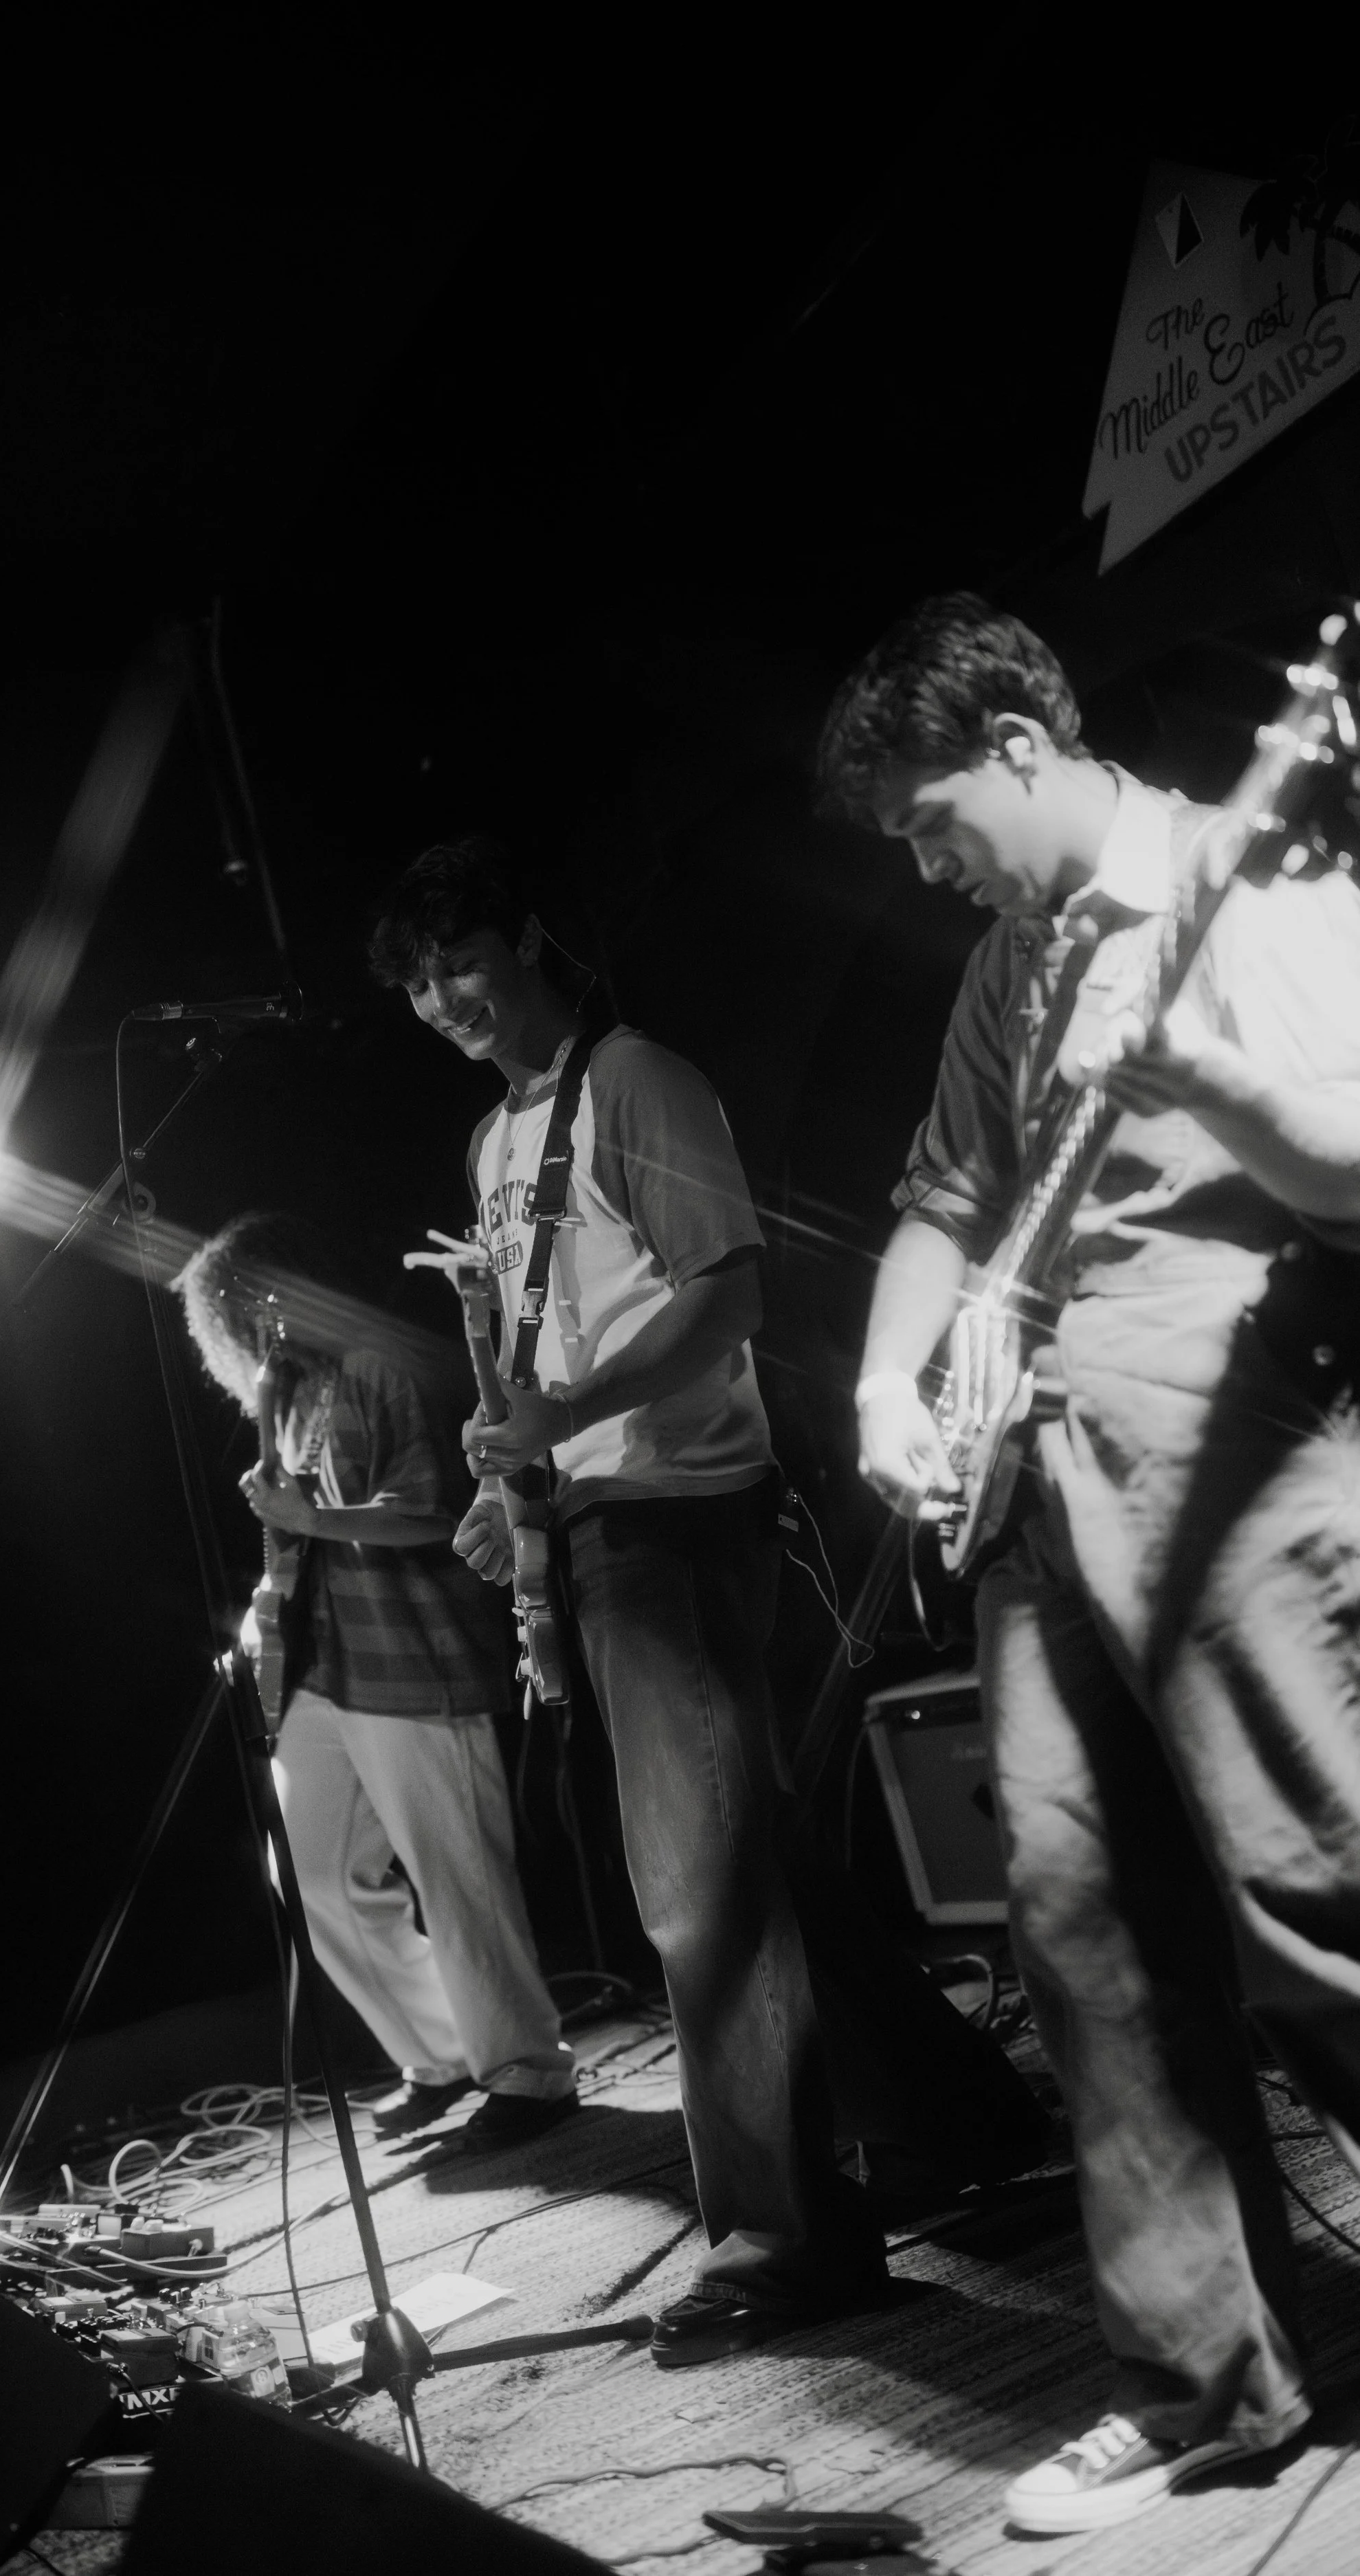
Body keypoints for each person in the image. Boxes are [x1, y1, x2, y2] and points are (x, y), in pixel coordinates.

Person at [819, 592, 1360, 2536]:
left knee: (1318, 1897)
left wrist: (1199, 1081)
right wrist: (891, 1377)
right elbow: (942, 1199)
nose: (919, 850)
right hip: (1035, 1488)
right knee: (1077, 1922)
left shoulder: (1249, 866)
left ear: (1024, 744)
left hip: (1228, 1443)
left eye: (928, 808)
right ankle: (1202, 2371)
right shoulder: (1005, 963)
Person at [368, 835, 1047, 2369]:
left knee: (700, 1894)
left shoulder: (638, 1081)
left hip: (682, 1521)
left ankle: (791, 2239)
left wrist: (561, 1425)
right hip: (604, 1518)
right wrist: (515, 1476)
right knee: (752, 1863)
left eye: (458, 962)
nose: (441, 1000)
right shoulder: (495, 1141)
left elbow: (725, 1296)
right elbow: (551, 1359)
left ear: (530, 937)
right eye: (416, 985)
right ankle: (957, 2117)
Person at [174, 1212, 577, 2146]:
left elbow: (435, 1513)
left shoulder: (376, 1366)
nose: (259, 1322)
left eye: (266, 1296)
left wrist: (302, 1514)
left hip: (411, 1651)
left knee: (460, 1873)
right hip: (321, 1662)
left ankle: (529, 2071)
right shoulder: (293, 1391)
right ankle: (439, 2052)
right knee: (309, 1868)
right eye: (240, 1310)